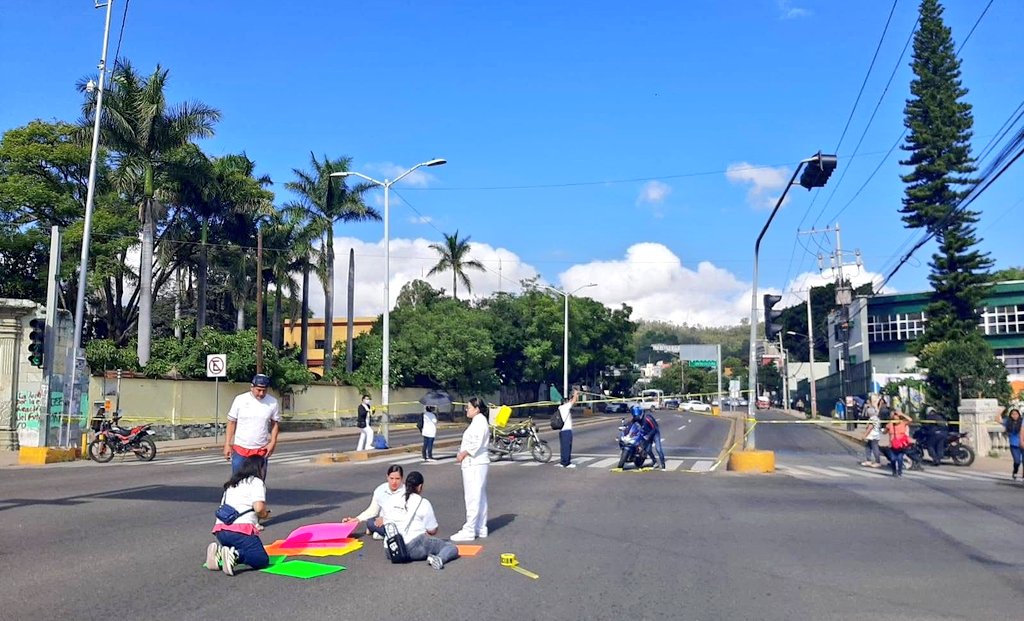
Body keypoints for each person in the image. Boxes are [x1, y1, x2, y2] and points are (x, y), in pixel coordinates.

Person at [206, 455, 272, 576]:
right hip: (240, 531)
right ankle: (235, 555)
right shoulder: (255, 482)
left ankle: (220, 553)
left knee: (242, 547)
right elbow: (259, 508)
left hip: (221, 531)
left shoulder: (232, 484)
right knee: (261, 559)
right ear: (259, 468)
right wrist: (265, 515)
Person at [389, 471, 460, 570]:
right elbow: (432, 530)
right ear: (420, 487)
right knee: (451, 547)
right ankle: (439, 558)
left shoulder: (393, 498)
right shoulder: (423, 502)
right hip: (412, 548)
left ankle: (434, 555)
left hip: (390, 549)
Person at [223, 374, 280, 477]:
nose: (261, 393)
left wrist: (272, 442)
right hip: (240, 449)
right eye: (258, 390)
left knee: (258, 483)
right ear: (252, 387)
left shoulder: (272, 403)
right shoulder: (240, 400)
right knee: (237, 482)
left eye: (264, 390)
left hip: (260, 450)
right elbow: (231, 422)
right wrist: (227, 444)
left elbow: (274, 423)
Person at [451, 397, 490, 542]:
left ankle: (470, 529)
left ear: (477, 408)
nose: (467, 410)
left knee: (473, 497)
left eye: (469, 407)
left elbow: (477, 443)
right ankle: (480, 527)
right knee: (479, 496)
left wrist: (463, 453)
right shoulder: (478, 421)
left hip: (475, 463)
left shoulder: (480, 422)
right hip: (476, 463)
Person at [343, 464, 405, 540]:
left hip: (398, 524)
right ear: (387, 477)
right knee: (370, 522)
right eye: (391, 478)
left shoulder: (406, 492)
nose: (394, 482)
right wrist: (357, 519)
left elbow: (406, 514)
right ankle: (382, 533)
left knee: (399, 531)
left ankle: (382, 533)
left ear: (402, 478)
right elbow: (373, 510)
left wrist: (386, 519)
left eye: (397, 479)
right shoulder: (380, 490)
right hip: (381, 522)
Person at [634, 405, 666, 469]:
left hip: (655, 434)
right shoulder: (636, 418)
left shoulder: (648, 418)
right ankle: (655, 462)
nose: (637, 417)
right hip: (646, 435)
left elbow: (655, 428)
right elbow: (631, 424)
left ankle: (663, 464)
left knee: (658, 449)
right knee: (648, 450)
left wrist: (649, 435)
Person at [885, 410, 912, 478]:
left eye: (896, 415)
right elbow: (885, 431)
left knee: (900, 459)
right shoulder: (890, 424)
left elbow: (910, 420)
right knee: (893, 459)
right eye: (894, 415)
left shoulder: (903, 423)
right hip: (892, 445)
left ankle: (899, 472)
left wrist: (902, 414)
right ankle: (894, 471)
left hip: (901, 445)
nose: (895, 417)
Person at [557, 389, 580, 468]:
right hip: (566, 430)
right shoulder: (565, 407)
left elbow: (572, 401)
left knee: (563, 447)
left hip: (562, 430)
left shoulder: (561, 407)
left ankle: (563, 461)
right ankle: (567, 463)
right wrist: (575, 394)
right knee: (567, 447)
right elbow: (573, 401)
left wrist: (575, 395)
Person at [1001, 408, 1022, 480]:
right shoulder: (1008, 422)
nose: (1014, 416)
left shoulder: (1022, 422)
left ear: (1019, 415)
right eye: (1013, 414)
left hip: (1022, 444)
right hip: (1014, 445)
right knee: (1017, 461)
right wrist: (1000, 410)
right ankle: (1015, 471)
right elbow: (997, 419)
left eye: (1016, 414)